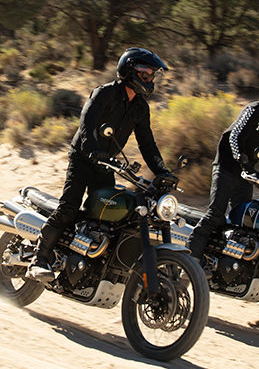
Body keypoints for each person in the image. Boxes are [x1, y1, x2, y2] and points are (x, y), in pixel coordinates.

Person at [26, 47, 177, 282]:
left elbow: (147, 144)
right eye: (145, 74)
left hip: (106, 164)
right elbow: (86, 127)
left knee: (108, 214)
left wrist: (162, 172)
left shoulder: (140, 107)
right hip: (83, 158)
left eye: (152, 76)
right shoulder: (103, 94)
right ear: (130, 72)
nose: (150, 80)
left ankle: (89, 262)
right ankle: (39, 259)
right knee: (69, 208)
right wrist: (94, 151)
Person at [187, 71, 259, 262]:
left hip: (246, 172)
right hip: (226, 166)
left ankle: (226, 264)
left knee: (242, 221)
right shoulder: (253, 110)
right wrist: (243, 163)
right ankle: (189, 261)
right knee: (216, 214)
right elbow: (234, 137)